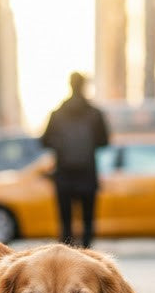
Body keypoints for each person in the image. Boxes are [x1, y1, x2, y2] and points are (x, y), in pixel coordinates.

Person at [40, 72, 109, 248]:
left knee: (66, 225)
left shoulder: (57, 114)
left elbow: (44, 141)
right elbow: (104, 141)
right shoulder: (95, 113)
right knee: (88, 223)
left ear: (70, 85)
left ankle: (66, 264)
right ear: (83, 86)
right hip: (87, 175)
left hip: (64, 176)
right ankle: (87, 261)